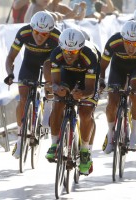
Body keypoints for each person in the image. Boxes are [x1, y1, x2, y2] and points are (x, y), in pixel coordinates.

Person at [3, 11, 61, 159]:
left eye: (44, 34)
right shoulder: (24, 32)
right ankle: (20, 136)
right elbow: (10, 57)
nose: (39, 37)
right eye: (36, 32)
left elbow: (61, 64)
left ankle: (48, 103)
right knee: (22, 97)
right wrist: (10, 74)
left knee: (48, 67)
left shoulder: (57, 36)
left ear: (50, 32)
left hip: (49, 62)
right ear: (32, 28)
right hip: (30, 63)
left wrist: (54, 84)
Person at [44, 28, 100, 175]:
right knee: (58, 104)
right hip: (67, 74)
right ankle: (55, 144)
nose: (69, 55)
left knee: (85, 112)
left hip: (87, 79)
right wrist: (57, 88)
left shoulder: (89, 56)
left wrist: (82, 94)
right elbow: (55, 82)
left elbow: (90, 89)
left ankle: (84, 151)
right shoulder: (56, 54)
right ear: (61, 47)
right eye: (66, 51)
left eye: (73, 52)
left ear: (80, 49)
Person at [100, 20, 136, 153]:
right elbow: (102, 66)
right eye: (127, 43)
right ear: (122, 39)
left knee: (135, 92)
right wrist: (102, 81)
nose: (131, 47)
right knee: (112, 102)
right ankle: (110, 133)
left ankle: (134, 135)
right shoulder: (113, 42)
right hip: (118, 67)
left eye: (135, 44)